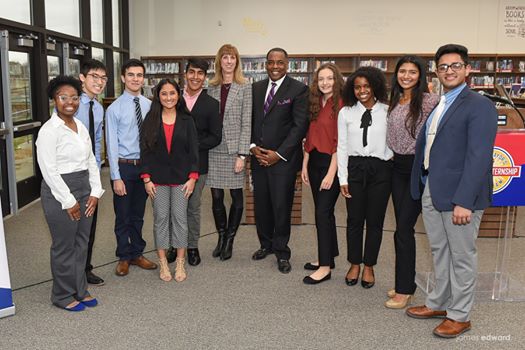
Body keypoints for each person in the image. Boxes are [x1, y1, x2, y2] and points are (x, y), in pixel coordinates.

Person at [406, 44, 498, 338]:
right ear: (436, 71)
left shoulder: (479, 105)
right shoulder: (440, 102)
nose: (449, 71)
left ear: (468, 69)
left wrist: (464, 201)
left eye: (455, 65)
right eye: (443, 66)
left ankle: (460, 315)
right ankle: (440, 302)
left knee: (461, 254)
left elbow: (479, 157)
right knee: (439, 250)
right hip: (432, 187)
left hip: (460, 195)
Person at [36, 75, 104, 311]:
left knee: (81, 243)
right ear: (54, 99)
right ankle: (63, 295)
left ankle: (80, 289)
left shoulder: (80, 126)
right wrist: (68, 200)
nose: (70, 102)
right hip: (59, 191)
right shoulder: (49, 130)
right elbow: (49, 170)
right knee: (64, 245)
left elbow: (91, 161)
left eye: (74, 97)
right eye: (63, 97)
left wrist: (95, 192)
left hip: (84, 186)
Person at [384, 56, 439, 308]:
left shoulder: (429, 101)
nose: (406, 76)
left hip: (418, 168)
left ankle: (405, 290)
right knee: (402, 228)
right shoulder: (395, 100)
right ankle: (404, 281)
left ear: (421, 75)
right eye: (402, 71)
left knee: (403, 229)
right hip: (397, 168)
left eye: (412, 72)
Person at [250, 47, 309, 274]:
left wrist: (278, 154)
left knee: (281, 206)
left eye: (280, 62)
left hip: (283, 160)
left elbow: (299, 126)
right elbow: (252, 121)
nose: (275, 66)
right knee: (261, 204)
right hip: (258, 157)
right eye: (271, 62)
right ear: (266, 64)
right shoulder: (255, 88)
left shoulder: (299, 89)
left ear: (287, 64)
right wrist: (254, 148)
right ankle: (266, 244)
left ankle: (282, 251)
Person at [337, 66, 392, 289]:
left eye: (366, 86)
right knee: (354, 220)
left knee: (375, 221)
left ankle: (369, 265)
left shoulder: (388, 111)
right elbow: (341, 146)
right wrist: (343, 177)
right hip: (355, 168)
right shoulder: (346, 112)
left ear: (375, 86)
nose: (362, 91)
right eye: (358, 87)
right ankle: (354, 263)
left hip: (381, 169)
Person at [140, 79, 199, 282]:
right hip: (157, 180)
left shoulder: (187, 120)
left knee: (181, 220)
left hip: (182, 179)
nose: (168, 97)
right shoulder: (150, 119)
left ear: (178, 94)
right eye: (164, 94)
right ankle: (163, 262)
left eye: (172, 93)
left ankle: (180, 263)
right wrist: (146, 178)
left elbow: (194, 151)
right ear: (158, 96)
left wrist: (193, 177)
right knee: (161, 219)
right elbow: (145, 151)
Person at [106, 58, 157, 277]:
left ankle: (137, 252)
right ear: (123, 77)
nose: (135, 79)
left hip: (144, 168)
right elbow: (111, 145)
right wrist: (116, 177)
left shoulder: (149, 105)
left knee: (138, 214)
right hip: (124, 169)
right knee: (123, 215)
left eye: (139, 75)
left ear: (143, 78)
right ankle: (124, 256)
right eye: (131, 75)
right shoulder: (114, 109)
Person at [207, 44, 252, 261]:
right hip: (214, 149)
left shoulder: (245, 87)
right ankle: (221, 236)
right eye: (225, 57)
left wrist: (242, 155)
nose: (228, 61)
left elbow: (247, 123)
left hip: (235, 150)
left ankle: (231, 240)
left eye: (232, 57)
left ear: (237, 61)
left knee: (236, 196)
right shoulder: (212, 86)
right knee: (216, 196)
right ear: (219, 61)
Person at [301, 63, 344, 284]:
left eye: (329, 78)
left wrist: (331, 173)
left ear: (336, 80)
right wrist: (305, 164)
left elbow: (341, 141)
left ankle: (325, 267)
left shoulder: (342, 105)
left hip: (332, 164)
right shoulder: (317, 103)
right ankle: (328, 257)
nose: (325, 83)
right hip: (315, 160)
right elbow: (310, 135)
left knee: (322, 213)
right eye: (321, 79)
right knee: (323, 212)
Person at [181, 58, 222, 266]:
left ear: (205, 77)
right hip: (171, 165)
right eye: (192, 72)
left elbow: (216, 137)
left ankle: (192, 247)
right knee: (172, 207)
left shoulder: (211, 104)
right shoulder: (171, 98)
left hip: (198, 165)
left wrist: (193, 144)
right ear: (185, 73)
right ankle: (173, 245)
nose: (195, 77)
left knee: (192, 208)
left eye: (200, 73)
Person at [76, 58, 108, 286]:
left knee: (89, 223)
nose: (99, 82)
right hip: (70, 173)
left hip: (90, 173)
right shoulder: (71, 104)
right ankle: (71, 271)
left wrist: (95, 175)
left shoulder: (98, 108)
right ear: (82, 78)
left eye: (103, 78)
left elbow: (97, 142)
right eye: (94, 77)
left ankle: (85, 268)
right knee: (71, 224)